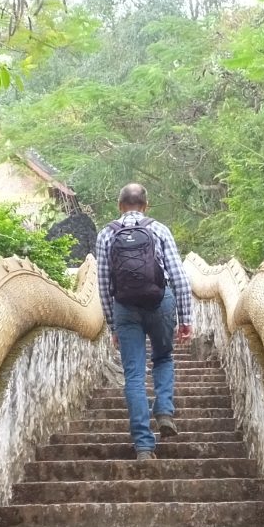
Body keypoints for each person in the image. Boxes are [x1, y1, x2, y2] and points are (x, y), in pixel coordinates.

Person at [96, 183, 193, 460]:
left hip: (125, 308)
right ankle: (164, 410)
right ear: (146, 205)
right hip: (160, 303)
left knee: (134, 376)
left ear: (119, 206)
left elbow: (104, 285)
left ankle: (143, 446)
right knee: (163, 357)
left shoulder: (106, 234)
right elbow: (179, 277)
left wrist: (113, 324)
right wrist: (185, 318)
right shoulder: (158, 229)